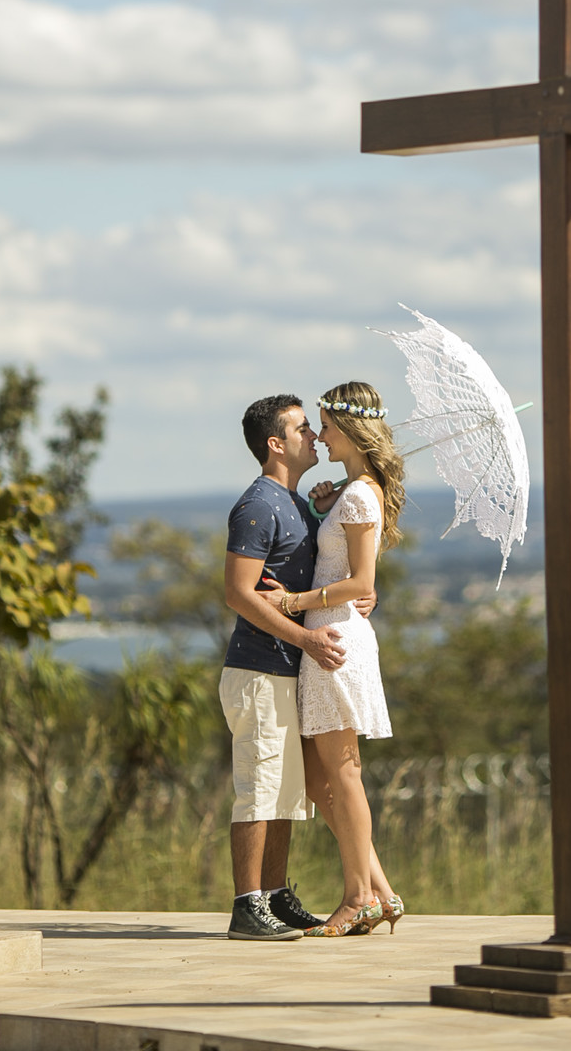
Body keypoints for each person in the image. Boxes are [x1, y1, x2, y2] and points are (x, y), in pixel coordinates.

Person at [220, 392, 374, 942]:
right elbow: (239, 594)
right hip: (259, 669)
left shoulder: (295, 503)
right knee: (260, 787)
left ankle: (276, 895)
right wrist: (307, 639)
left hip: (286, 668)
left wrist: (323, 508)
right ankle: (248, 904)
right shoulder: (258, 504)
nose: (314, 436)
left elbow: (319, 574)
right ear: (276, 443)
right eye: (302, 429)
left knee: (286, 791)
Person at [261, 380, 405, 938]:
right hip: (329, 639)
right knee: (324, 780)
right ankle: (382, 893)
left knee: (341, 776)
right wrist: (325, 512)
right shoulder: (352, 493)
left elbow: (361, 582)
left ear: (346, 430)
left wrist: (294, 602)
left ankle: (358, 897)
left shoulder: (362, 494)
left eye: (324, 425)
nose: (318, 435)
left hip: (334, 643)